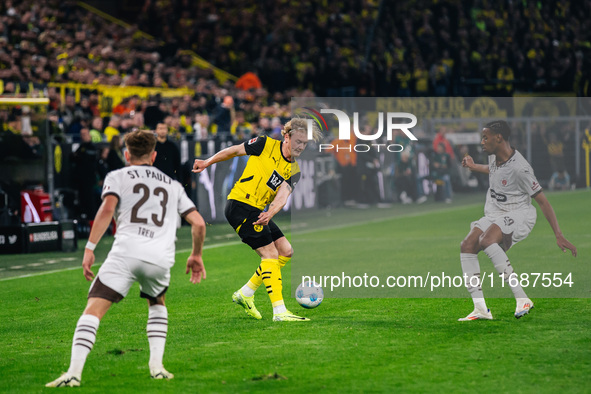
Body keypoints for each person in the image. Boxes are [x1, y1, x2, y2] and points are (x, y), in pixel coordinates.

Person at [46, 130, 206, 387]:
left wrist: (89, 247)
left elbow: (107, 209)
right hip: (159, 258)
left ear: (126, 154)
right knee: (157, 302)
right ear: (154, 156)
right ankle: (157, 367)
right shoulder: (173, 185)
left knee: (93, 310)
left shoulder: (117, 176)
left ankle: (73, 374)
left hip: (126, 252)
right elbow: (198, 223)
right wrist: (196, 254)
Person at [192, 118, 320, 321]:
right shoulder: (265, 144)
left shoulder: (294, 171)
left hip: (259, 211)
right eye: (298, 141)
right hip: (240, 204)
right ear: (286, 137)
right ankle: (279, 312)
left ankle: (246, 293)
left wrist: (271, 213)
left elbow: (283, 195)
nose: (301, 147)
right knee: (269, 255)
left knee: (285, 251)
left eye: (304, 143)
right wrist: (207, 162)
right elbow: (234, 151)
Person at [459, 121, 577, 321]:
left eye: (485, 137)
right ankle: (480, 308)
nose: (482, 142)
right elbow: (493, 169)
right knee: (467, 245)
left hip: (519, 213)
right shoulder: (495, 157)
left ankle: (522, 299)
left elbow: (543, 202)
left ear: (499, 138)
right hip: (495, 213)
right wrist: (473, 166)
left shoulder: (521, 168)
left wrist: (559, 234)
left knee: (487, 240)